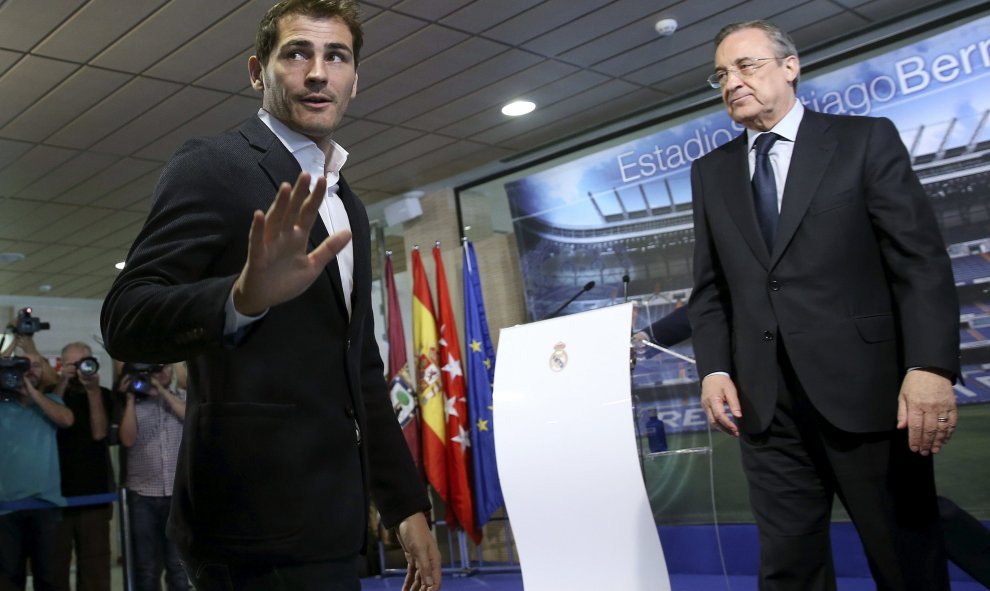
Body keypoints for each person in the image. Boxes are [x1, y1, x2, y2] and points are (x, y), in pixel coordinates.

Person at [100, 1, 441, 589]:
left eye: (336, 57)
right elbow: (126, 316)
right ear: (258, 72)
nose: (318, 73)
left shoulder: (347, 204)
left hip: (334, 523)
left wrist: (402, 500)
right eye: (297, 54)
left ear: (354, 80)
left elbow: (358, 367)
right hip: (247, 527)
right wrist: (240, 297)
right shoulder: (214, 164)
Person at [688, 20, 959, 590]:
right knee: (788, 569)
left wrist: (930, 366)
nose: (732, 82)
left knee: (905, 559)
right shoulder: (710, 173)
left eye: (747, 65)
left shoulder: (863, 139)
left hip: (870, 397)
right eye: (721, 74)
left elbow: (919, 261)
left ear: (790, 66)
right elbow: (711, 289)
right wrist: (714, 368)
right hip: (766, 410)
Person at [0, 352, 74, 591]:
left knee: (49, 576)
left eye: (34, 366)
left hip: (45, 505)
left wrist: (30, 392)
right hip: (6, 507)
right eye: (23, 367)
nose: (29, 371)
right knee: (9, 577)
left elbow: (66, 420)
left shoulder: (52, 401)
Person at [118, 363, 189, 591]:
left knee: (178, 567)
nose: (161, 373)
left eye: (164, 367)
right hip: (143, 495)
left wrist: (162, 391)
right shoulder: (135, 402)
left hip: (177, 496)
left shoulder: (183, 397)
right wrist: (130, 399)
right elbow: (127, 440)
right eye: (154, 370)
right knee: (146, 568)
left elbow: (189, 416)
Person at [51, 342, 115, 591]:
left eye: (84, 363)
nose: (79, 369)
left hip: (95, 494)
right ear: (62, 364)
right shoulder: (50, 391)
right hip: (56, 496)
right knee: (55, 566)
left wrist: (93, 391)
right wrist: (63, 382)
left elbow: (100, 433)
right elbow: (50, 422)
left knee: (95, 568)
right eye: (72, 364)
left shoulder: (104, 394)